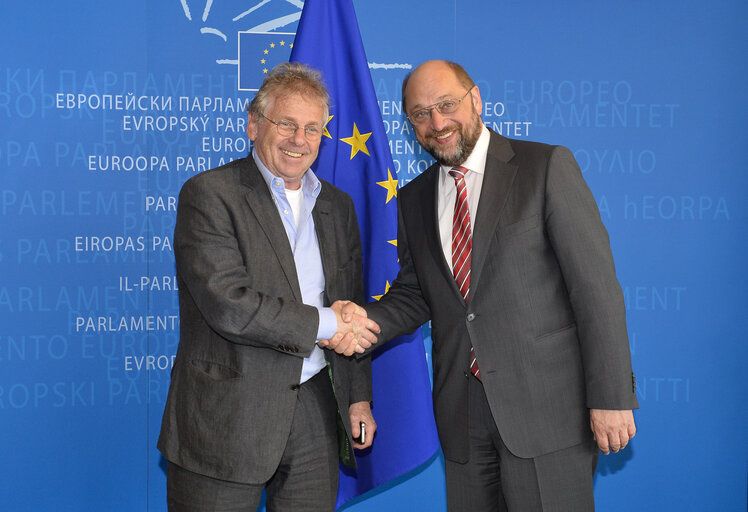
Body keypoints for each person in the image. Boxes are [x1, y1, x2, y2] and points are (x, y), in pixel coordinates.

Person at [334, 60, 638, 511]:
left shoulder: (544, 166)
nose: (436, 123)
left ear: (475, 99)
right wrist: (364, 320)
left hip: (546, 413)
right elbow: (418, 292)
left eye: (446, 105)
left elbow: (594, 289)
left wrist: (611, 396)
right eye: (420, 113)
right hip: (463, 415)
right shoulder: (414, 198)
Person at [157, 62, 381, 512]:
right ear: (253, 125)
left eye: (313, 128)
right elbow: (229, 305)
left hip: (316, 411)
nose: (300, 140)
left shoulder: (337, 206)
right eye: (287, 124)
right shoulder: (209, 194)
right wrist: (330, 322)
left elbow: (348, 301)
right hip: (226, 416)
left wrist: (357, 398)